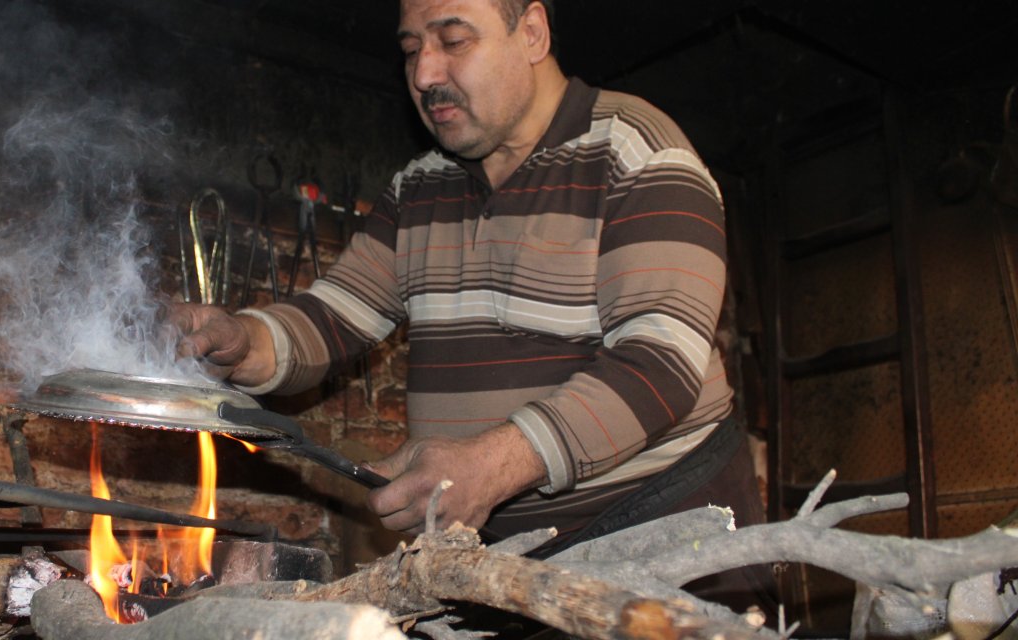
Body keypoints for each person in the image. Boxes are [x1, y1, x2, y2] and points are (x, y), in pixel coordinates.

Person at [173, 0, 771, 606]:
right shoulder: (419, 187)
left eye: (453, 41)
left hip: (667, 534)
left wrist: (494, 465)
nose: (424, 74)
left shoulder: (638, 152)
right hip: (504, 558)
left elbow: (659, 364)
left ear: (531, 33)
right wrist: (243, 340)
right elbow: (332, 318)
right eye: (411, 50)